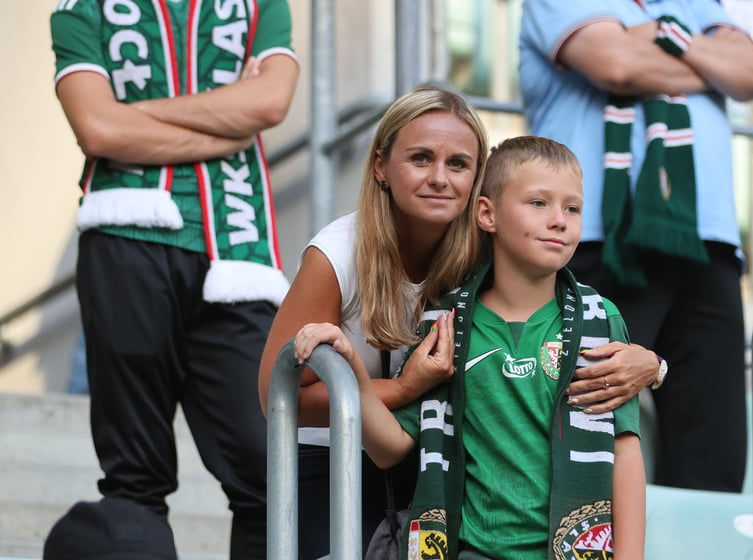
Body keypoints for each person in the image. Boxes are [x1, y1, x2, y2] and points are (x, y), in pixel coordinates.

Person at [257, 86, 656, 558]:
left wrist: (653, 363)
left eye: (459, 165)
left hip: (430, 459)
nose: (440, 179)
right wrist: (399, 387)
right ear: (381, 166)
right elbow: (278, 396)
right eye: (421, 158)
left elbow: (618, 436)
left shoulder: (497, 257)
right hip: (336, 451)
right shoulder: (342, 251)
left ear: (478, 185)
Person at [49, 1, 300, 558]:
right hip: (126, 237)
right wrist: (229, 126)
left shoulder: (263, 4)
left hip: (237, 248)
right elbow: (98, 127)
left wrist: (138, 117)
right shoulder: (81, 6)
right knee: (136, 478)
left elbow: (271, 100)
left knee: (271, 469)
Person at [518, 0, 753, 492]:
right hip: (594, 240)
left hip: (707, 242)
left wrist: (660, 38)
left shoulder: (698, 4)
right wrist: (706, 60)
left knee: (713, 453)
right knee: (584, 434)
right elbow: (616, 63)